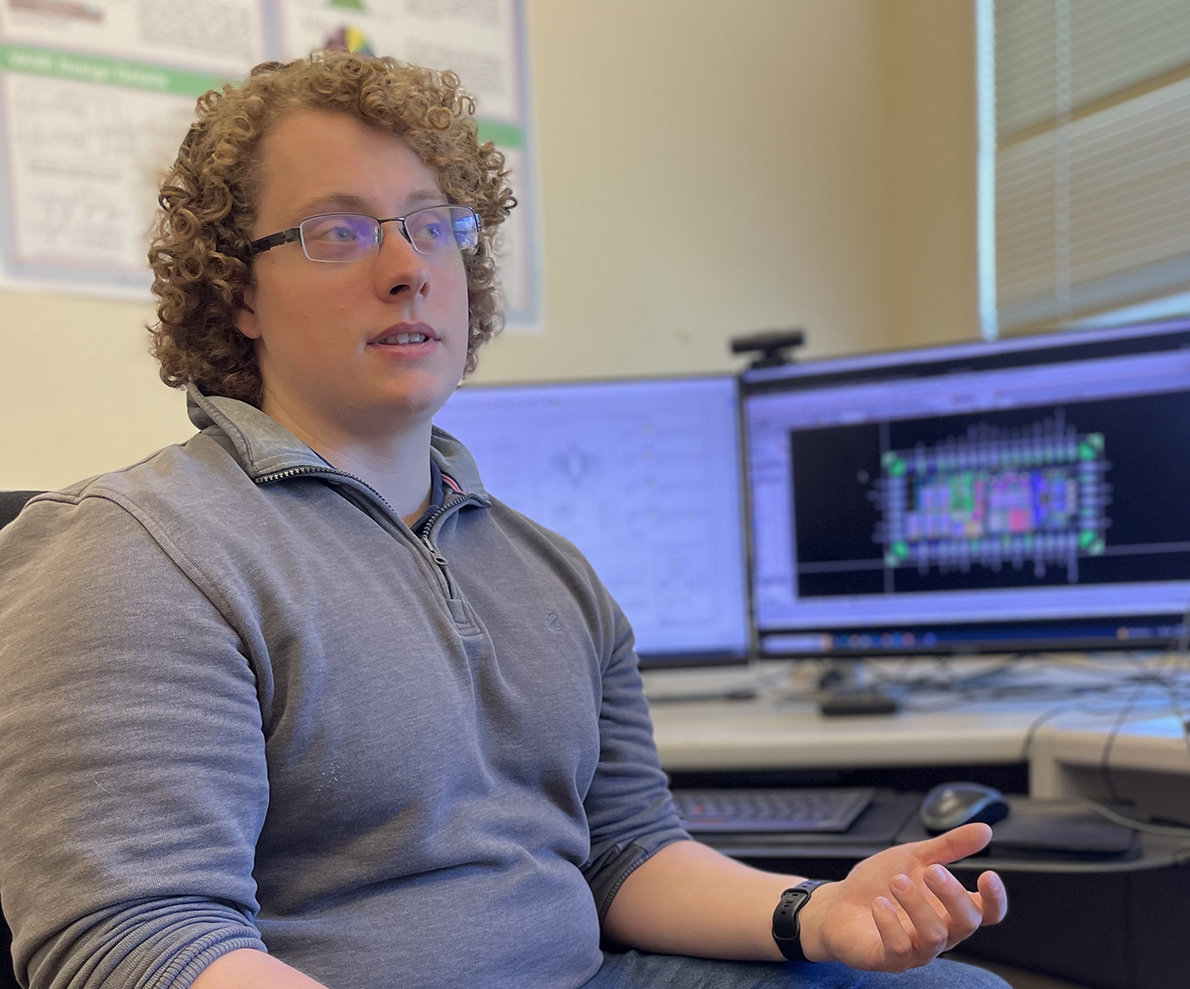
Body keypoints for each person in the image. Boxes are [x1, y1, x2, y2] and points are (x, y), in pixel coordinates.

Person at [0, 51, 1010, 989]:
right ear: (238, 294)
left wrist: (822, 912)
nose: (407, 268)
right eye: (337, 229)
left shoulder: (554, 572)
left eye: (432, 222)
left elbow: (624, 850)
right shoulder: (135, 549)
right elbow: (136, 934)